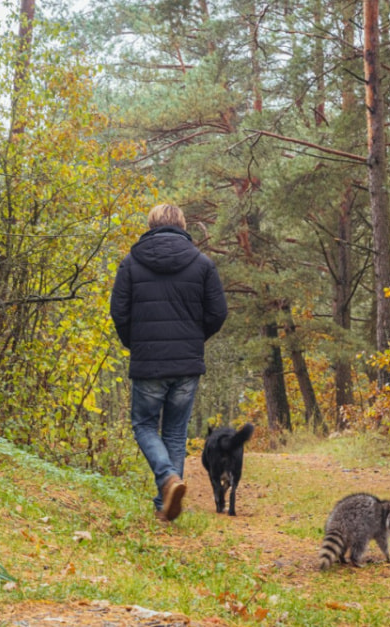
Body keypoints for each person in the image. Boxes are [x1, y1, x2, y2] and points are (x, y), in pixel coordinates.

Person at [109, 203, 228, 522]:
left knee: (144, 425)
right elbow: (218, 313)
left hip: (148, 361)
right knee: (175, 432)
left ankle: (167, 481)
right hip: (186, 364)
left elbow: (119, 312)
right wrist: (194, 340)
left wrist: (136, 344)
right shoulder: (202, 263)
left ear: (151, 225)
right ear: (182, 225)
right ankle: (166, 504)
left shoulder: (131, 263)